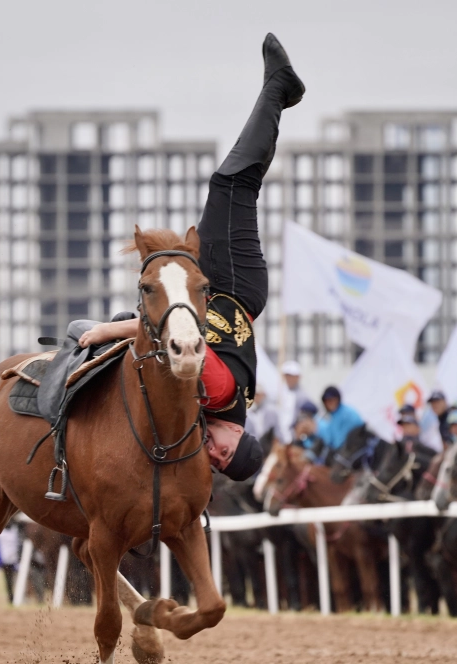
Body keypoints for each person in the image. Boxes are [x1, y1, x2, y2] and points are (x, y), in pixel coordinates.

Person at [77, 33, 304, 481]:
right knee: (231, 185)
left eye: (217, 465)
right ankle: (279, 89)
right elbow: (177, 334)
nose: (214, 456)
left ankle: (279, 96)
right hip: (233, 286)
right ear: (239, 438)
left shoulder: (214, 415)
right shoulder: (218, 392)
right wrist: (107, 329)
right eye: (224, 454)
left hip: (221, 292)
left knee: (236, 184)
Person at [316, 386, 364, 451]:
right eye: (327, 401)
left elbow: (340, 441)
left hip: (355, 448)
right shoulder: (332, 416)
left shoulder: (347, 413)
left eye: (332, 400)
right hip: (344, 450)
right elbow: (329, 439)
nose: (329, 403)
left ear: (338, 399)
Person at [276, 361, 313, 444]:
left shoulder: (304, 397)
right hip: (280, 438)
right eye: (287, 376)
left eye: (292, 376)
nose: (289, 379)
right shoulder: (279, 393)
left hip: (296, 439)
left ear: (298, 377)